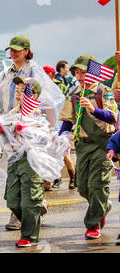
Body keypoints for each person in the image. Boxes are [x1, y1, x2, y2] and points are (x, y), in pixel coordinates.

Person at [0, 34, 64, 230]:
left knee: (30, 171)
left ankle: (21, 214)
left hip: (32, 127)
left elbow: (48, 101)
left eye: (17, 50)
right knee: (15, 171)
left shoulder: (34, 71)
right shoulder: (5, 74)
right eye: (11, 50)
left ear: (27, 51)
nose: (13, 53)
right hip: (11, 129)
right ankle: (31, 207)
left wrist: (52, 131)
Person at [58, 54, 115, 239]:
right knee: (82, 186)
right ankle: (102, 207)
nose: (80, 76)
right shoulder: (74, 93)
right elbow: (67, 120)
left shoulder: (102, 91)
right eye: (77, 72)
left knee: (97, 185)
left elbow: (112, 116)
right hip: (82, 146)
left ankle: (93, 224)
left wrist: (93, 109)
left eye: (84, 72)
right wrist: (61, 137)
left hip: (102, 145)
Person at [0, 77, 47, 247]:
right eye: (17, 90)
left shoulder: (37, 113)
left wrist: (28, 131)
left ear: (34, 95)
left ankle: (29, 235)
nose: (18, 93)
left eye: (24, 90)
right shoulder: (13, 112)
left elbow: (44, 137)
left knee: (29, 199)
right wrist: (1, 130)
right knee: (12, 199)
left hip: (31, 159)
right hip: (14, 158)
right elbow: (8, 137)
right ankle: (33, 218)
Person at [43, 65, 76, 190]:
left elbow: (65, 103)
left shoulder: (60, 86)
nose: (44, 75)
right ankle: (48, 182)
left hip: (60, 124)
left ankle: (72, 179)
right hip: (47, 126)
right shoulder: (41, 88)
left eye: (46, 73)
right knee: (47, 154)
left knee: (64, 154)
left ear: (51, 74)